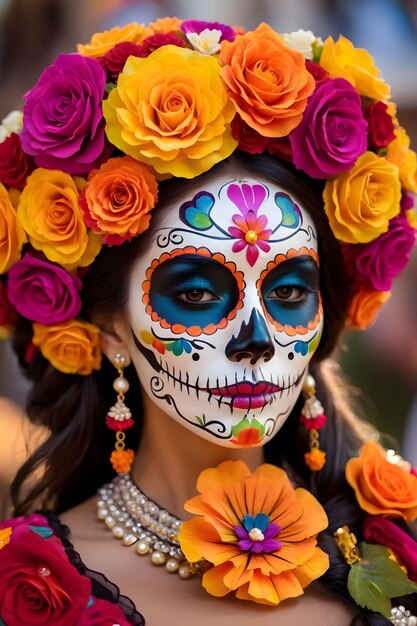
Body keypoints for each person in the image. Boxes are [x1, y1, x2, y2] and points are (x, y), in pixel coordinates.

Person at [0, 16, 417, 626]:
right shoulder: (28, 585)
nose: (255, 339)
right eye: (196, 294)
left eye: (290, 290)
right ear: (110, 325)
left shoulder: (393, 554)